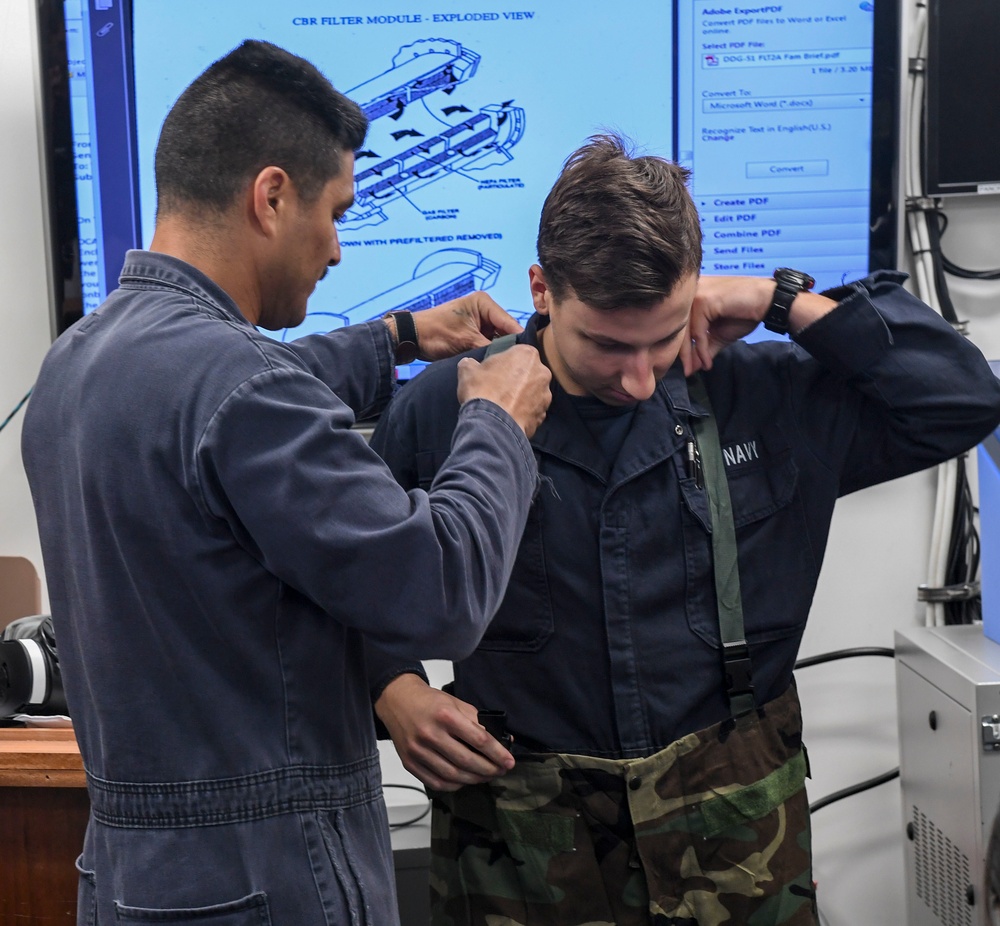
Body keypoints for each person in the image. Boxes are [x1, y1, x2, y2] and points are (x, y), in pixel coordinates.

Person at [367, 133, 1000, 926]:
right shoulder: (451, 406)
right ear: (542, 290)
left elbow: (961, 399)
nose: (637, 378)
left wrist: (781, 300)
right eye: (604, 344)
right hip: (523, 855)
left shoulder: (761, 396)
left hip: (738, 846)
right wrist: (393, 689)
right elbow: (336, 579)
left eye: (660, 340)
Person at [20, 40, 552, 926]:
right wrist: (498, 422)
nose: (338, 249)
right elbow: (442, 588)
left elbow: (223, 400)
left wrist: (397, 339)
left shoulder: (77, 364)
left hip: (131, 879)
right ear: (270, 197)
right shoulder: (239, 390)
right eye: (335, 212)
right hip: (269, 880)